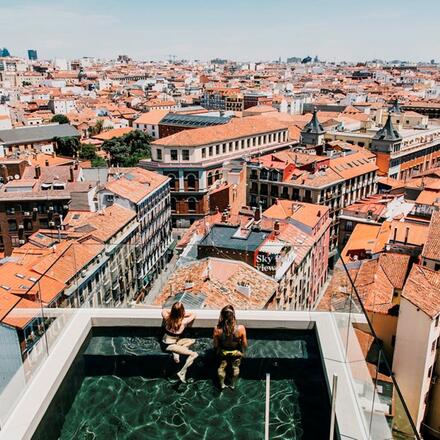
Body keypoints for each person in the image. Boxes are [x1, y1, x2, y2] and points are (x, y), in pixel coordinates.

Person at [161, 302, 198, 383]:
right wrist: (183, 314)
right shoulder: (183, 322)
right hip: (169, 346)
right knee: (194, 354)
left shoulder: (167, 318)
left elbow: (164, 310)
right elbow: (194, 314)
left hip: (166, 342)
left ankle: (176, 354)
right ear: (182, 311)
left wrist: (175, 313)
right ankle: (182, 372)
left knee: (191, 341)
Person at [213, 305, 247, 389]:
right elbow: (244, 343)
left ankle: (222, 384)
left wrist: (218, 351)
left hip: (223, 352)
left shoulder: (217, 329)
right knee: (235, 367)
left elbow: (215, 345)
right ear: (233, 315)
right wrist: (243, 352)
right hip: (235, 352)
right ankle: (233, 384)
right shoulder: (240, 328)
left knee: (221, 367)